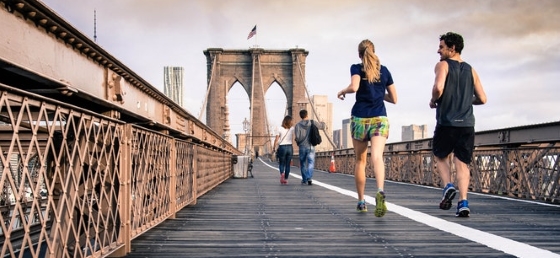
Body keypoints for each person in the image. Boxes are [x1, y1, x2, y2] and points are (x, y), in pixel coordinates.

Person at [337, 39, 397, 217]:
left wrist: (342, 91)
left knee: (360, 161)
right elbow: (394, 99)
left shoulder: (356, 67)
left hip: (360, 118)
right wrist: (379, 94)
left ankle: (362, 201)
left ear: (359, 54)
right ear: (374, 51)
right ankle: (380, 190)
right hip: (379, 117)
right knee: (377, 157)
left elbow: (354, 87)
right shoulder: (384, 71)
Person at [429, 32, 487, 217]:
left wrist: (433, 101)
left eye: (441, 47)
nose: (438, 50)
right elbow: (483, 99)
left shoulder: (443, 65)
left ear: (452, 49)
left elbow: (438, 88)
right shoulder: (471, 70)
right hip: (467, 124)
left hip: (447, 122)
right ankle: (463, 202)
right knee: (462, 165)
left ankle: (447, 186)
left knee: (440, 156)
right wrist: (466, 101)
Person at [294, 109, 321, 185]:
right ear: (307, 115)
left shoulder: (297, 125)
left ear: (300, 116)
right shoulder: (313, 122)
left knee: (302, 163)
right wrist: (322, 122)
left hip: (302, 146)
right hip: (311, 146)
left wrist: (297, 141)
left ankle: (304, 179)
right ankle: (309, 177)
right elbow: (322, 127)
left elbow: (298, 138)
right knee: (311, 162)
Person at [273, 115, 294, 184]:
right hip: (290, 147)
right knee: (288, 164)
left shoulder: (279, 128)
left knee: (281, 163)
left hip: (282, 147)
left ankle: (282, 173)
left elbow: (276, 139)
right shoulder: (292, 129)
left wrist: (274, 147)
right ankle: (286, 178)